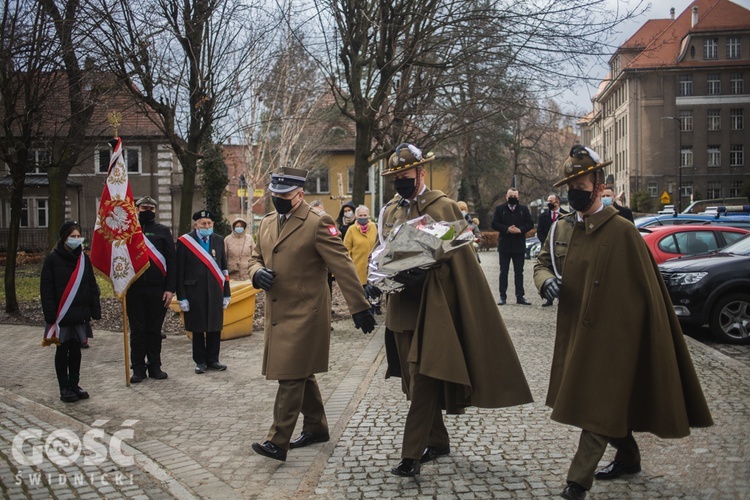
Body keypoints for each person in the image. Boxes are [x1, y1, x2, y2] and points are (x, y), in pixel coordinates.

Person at [533, 145, 713, 500]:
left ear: (599, 185)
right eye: (569, 186)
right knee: (607, 402)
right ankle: (629, 457)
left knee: (597, 404)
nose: (574, 192)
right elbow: (543, 264)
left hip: (614, 338)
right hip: (576, 333)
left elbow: (644, 292)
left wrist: (635, 336)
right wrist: (545, 283)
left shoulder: (622, 231)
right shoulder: (566, 229)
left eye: (580, 184)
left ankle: (577, 482)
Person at [378, 143, 532, 477]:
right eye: (395, 178)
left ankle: (410, 455)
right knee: (410, 381)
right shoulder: (389, 211)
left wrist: (430, 270)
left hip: (433, 309)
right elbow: (383, 253)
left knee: (421, 380)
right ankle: (438, 440)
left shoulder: (443, 206)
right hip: (401, 307)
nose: (400, 183)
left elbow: (460, 256)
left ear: (421, 173)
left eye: (405, 176)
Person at [248, 167, 376, 462]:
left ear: (300, 194)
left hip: (306, 312)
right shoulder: (267, 223)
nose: (278, 199)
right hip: (277, 312)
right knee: (300, 373)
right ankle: (317, 427)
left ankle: (277, 441)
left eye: (285, 196)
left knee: (289, 376)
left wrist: (359, 306)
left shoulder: (319, 222)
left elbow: (341, 264)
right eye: (275, 195)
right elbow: (255, 257)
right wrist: (256, 274)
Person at [41, 221, 101, 402]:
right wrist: (51, 315)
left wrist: (94, 309)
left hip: (80, 313)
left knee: (76, 351)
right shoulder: (53, 259)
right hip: (61, 314)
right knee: (62, 351)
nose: (76, 240)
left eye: (78, 236)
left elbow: (91, 284)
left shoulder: (83, 259)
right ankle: (64, 387)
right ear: (64, 238)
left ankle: (75, 384)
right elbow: (47, 288)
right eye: (72, 237)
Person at [126, 196, 176, 383]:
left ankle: (155, 366)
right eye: (143, 207)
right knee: (138, 331)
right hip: (134, 289)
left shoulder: (163, 231)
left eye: (150, 208)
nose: (147, 210)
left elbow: (172, 261)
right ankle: (138, 368)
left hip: (158, 290)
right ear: (136, 209)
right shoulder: (129, 232)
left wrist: (170, 289)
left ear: (155, 211)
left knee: (154, 330)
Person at [176, 210, 231, 374]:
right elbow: (179, 271)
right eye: (203, 224)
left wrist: (226, 293)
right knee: (198, 327)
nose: (207, 226)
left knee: (214, 326)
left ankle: (213, 359)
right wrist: (182, 297)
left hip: (215, 290)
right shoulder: (185, 242)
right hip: (194, 291)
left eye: (209, 223)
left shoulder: (219, 240)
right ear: (196, 225)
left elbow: (224, 268)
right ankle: (200, 361)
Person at [491, 188, 534, 305]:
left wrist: (520, 230)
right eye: (511, 196)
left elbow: (530, 223)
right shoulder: (500, 209)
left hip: (519, 246)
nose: (513, 198)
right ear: (506, 196)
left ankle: (520, 296)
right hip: (504, 245)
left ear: (518, 197)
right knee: (503, 272)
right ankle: (502, 296)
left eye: (515, 196)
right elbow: (494, 223)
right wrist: (507, 229)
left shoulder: (523, 209)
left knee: (519, 272)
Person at [343, 205, 379, 311]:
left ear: (368, 216)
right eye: (360, 215)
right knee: (361, 297)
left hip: (373, 270)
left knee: (372, 296)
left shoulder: (375, 227)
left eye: (365, 215)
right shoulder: (351, 230)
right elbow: (346, 250)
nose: (363, 217)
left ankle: (372, 316)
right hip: (358, 269)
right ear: (356, 216)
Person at [535, 194, 568, 306]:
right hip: (548, 247)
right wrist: (547, 242)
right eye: (548, 201)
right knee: (548, 270)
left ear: (557, 202)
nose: (549, 203)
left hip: (561, 248)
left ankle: (561, 296)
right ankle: (549, 298)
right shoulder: (543, 216)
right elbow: (539, 231)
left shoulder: (566, 215)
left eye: (551, 201)